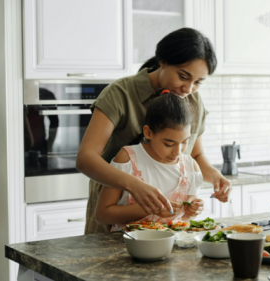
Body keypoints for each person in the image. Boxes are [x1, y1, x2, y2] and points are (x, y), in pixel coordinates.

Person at [76, 27, 231, 234]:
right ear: (163, 61)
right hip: (115, 216)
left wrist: (215, 177)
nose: (188, 89)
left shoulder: (192, 100)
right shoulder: (120, 93)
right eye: (183, 76)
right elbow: (86, 158)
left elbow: (195, 154)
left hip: (167, 227)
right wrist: (134, 185)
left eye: (198, 82)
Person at [95, 89, 204, 230]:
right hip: (127, 246)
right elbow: (102, 215)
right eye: (169, 144)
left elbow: (185, 220)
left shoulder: (190, 167)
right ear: (148, 132)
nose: (177, 151)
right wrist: (150, 208)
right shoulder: (128, 159)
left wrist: (193, 210)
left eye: (184, 142)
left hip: (172, 246)